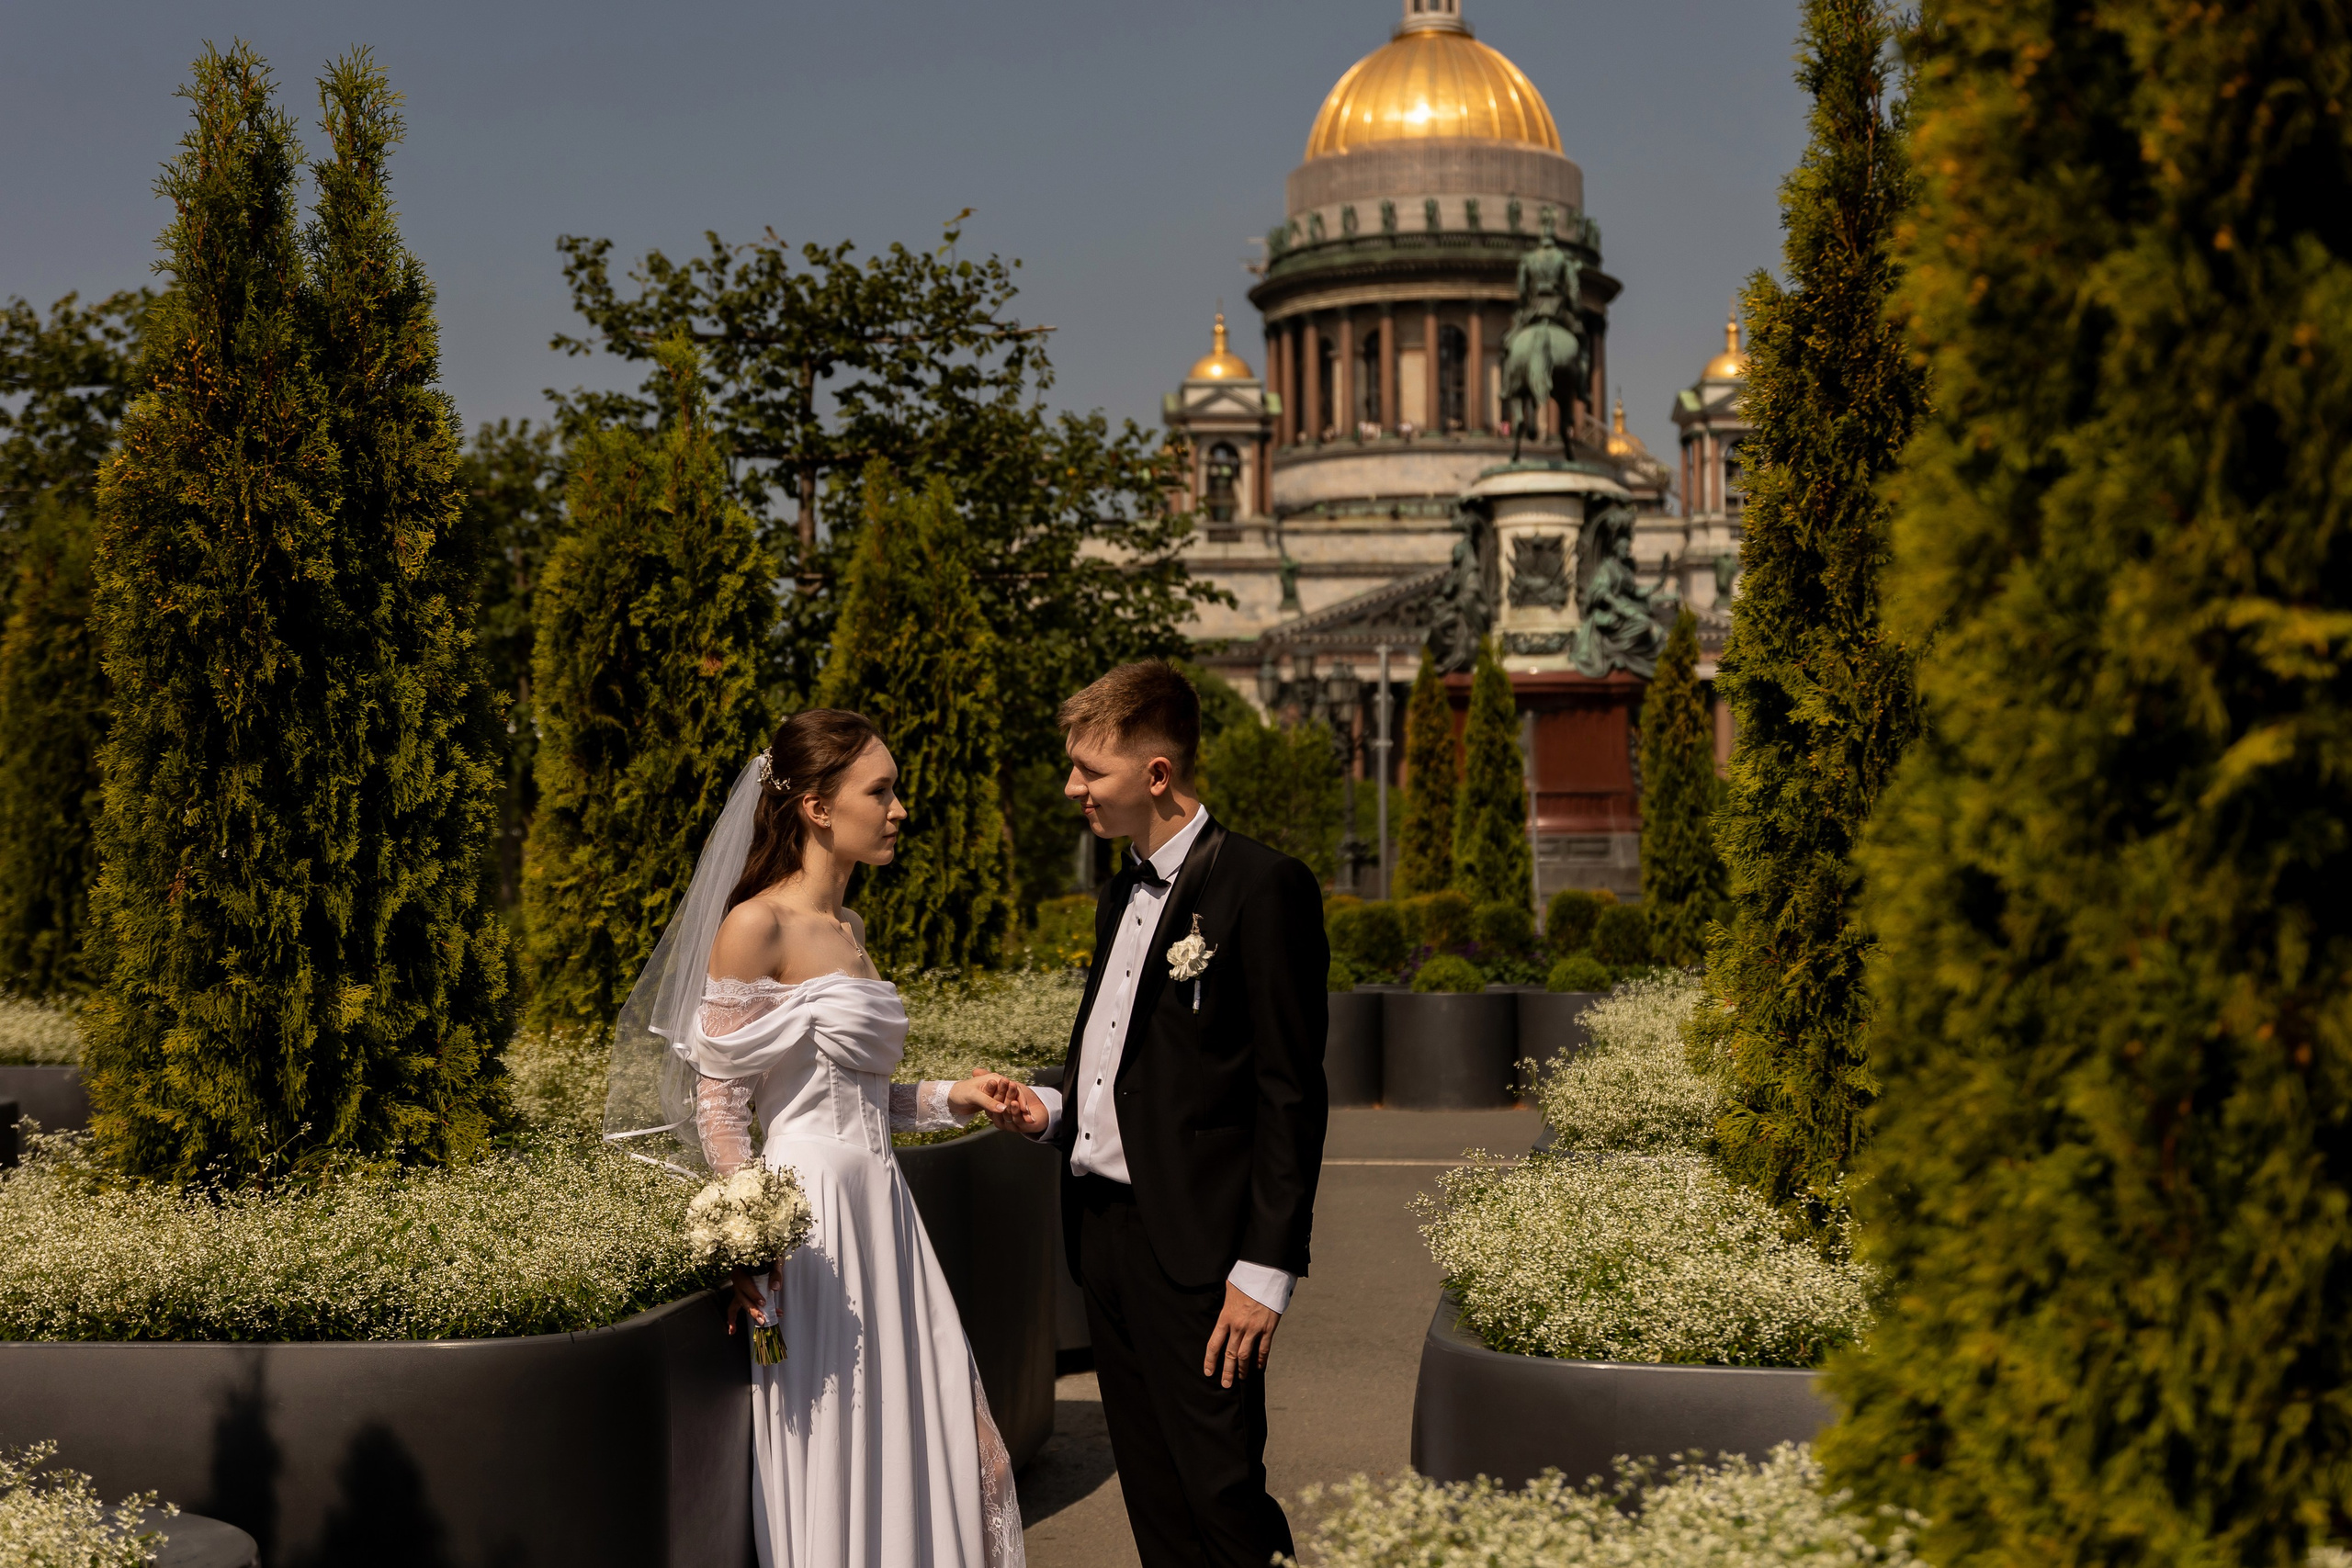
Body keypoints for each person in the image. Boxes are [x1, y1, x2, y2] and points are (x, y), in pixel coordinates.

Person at [604, 707, 1036, 1568]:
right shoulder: (755, 925)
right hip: (812, 1225)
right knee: (847, 1437)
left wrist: (957, 1095)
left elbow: (861, 1099)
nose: (899, 807)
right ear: (815, 807)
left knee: (952, 1441)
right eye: (880, 790)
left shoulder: (851, 930)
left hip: (883, 1214)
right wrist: (750, 1236)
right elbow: (721, 1103)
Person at [994, 660, 1330, 1568]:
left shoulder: (1265, 887)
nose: (1072, 789)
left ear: (1156, 775)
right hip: (1101, 1235)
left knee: (1219, 1489)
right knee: (1151, 1484)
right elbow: (1129, 1059)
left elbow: (1290, 1095)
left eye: (1088, 772)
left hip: (1203, 1251)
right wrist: (1055, 1110)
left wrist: (1265, 1269)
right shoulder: (1121, 890)